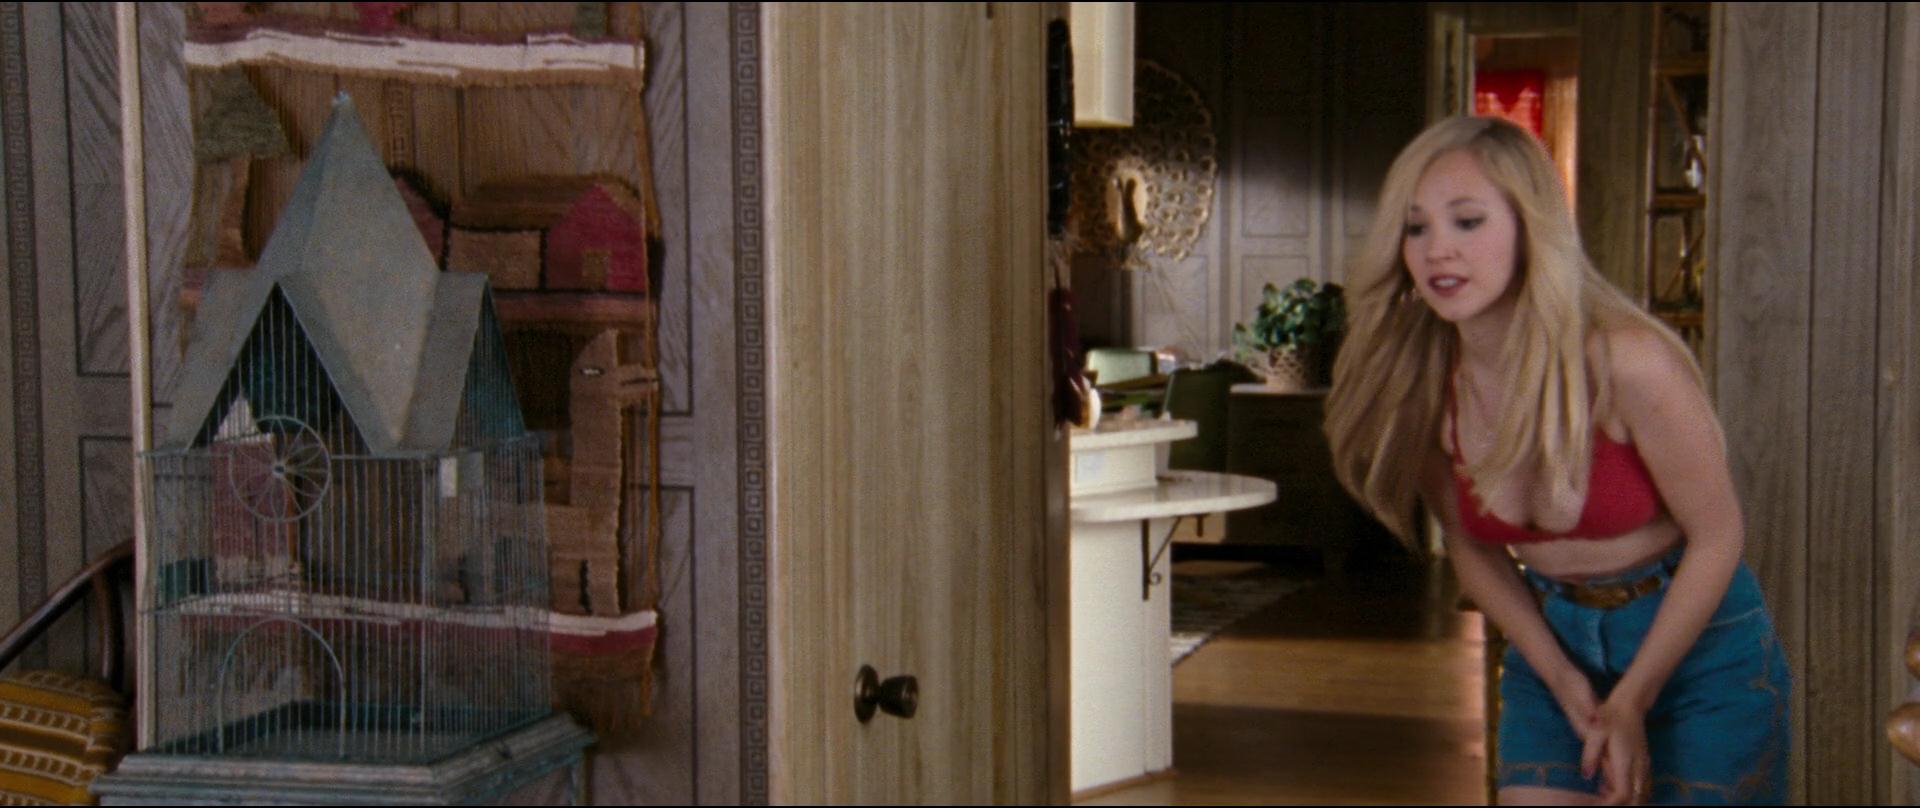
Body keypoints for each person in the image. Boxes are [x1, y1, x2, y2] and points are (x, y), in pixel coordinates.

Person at [1324, 116, 1789, 805]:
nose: (1438, 250)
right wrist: (1565, 679)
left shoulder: (1627, 361)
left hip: (1699, 649)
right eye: (1416, 228)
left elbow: (1719, 535)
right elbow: (1472, 548)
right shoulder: (1422, 384)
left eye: (1468, 221)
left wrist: (1633, 698)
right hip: (1555, 641)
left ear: (1530, 226)